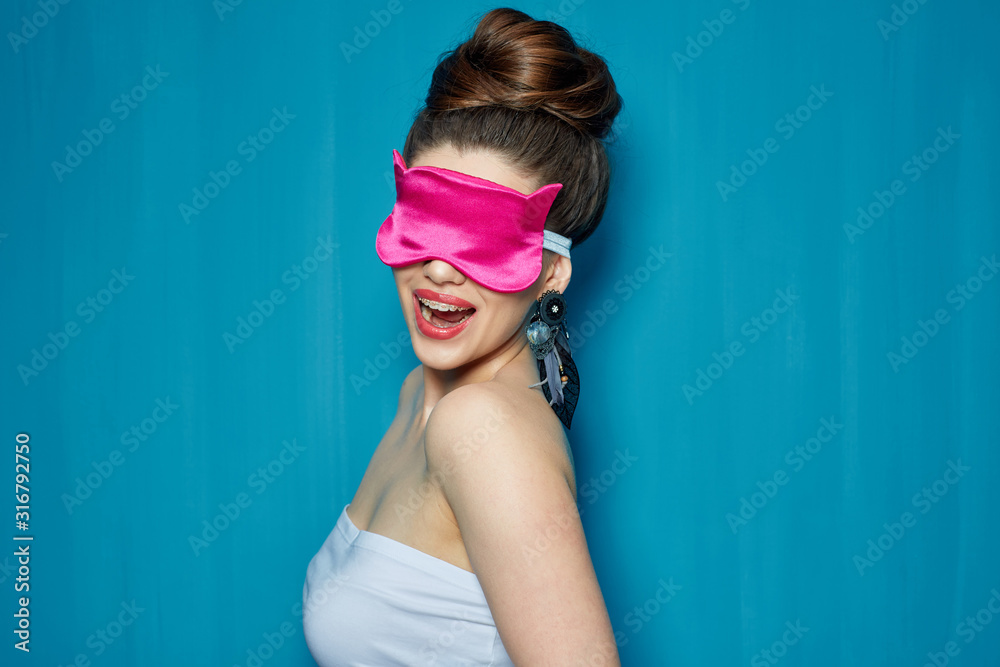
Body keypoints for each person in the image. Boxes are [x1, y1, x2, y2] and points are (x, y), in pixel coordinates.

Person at [303, 7, 623, 665]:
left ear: (550, 271)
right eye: (424, 222)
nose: (441, 268)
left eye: (479, 239)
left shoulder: (483, 427)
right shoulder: (418, 394)